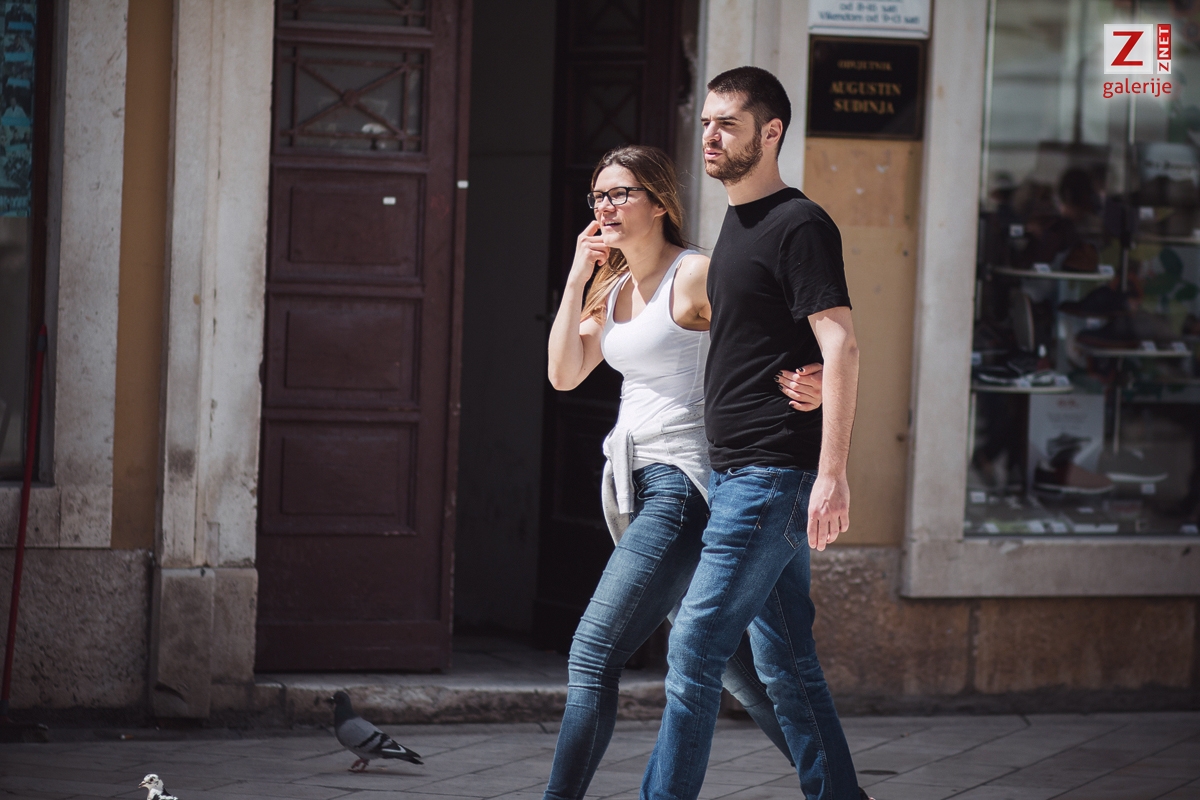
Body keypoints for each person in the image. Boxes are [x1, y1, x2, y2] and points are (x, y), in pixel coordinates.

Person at [542, 144, 824, 800]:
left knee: (592, 654)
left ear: (659, 202)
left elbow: (770, 334)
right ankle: (840, 789)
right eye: (599, 196)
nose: (606, 207)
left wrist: (814, 380)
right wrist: (577, 278)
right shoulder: (613, 288)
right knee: (741, 672)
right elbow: (563, 373)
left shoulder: (693, 274)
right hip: (633, 486)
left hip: (684, 485)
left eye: (621, 194)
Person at [639, 67, 863, 800]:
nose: (709, 136)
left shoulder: (800, 224)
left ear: (770, 133)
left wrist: (832, 474)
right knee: (786, 665)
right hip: (735, 472)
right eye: (706, 122)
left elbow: (840, 343)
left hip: (772, 473)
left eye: (727, 124)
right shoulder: (736, 224)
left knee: (694, 648)